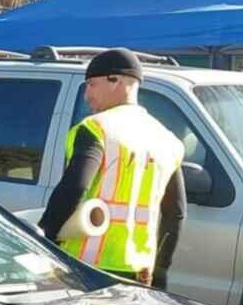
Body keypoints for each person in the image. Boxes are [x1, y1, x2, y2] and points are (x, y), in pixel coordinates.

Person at [38, 48, 185, 287]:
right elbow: (175, 214)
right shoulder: (168, 140)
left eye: (91, 85)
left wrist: (44, 237)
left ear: (115, 80)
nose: (86, 95)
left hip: (86, 267)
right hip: (139, 273)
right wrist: (160, 271)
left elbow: (74, 188)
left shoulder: (97, 128)